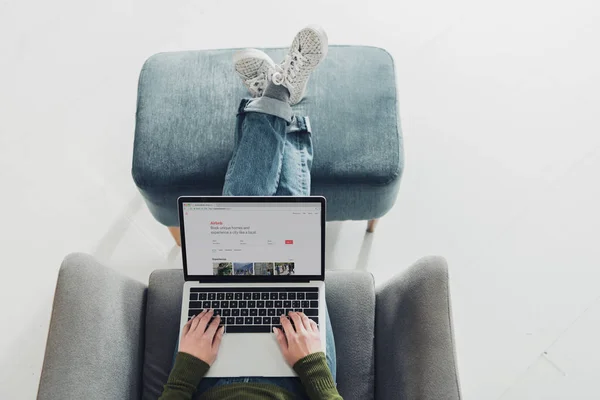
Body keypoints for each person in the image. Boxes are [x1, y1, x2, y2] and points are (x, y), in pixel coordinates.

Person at [159, 25, 341, 400]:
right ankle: (279, 95)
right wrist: (312, 366)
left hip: (207, 381)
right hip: (299, 382)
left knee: (238, 225)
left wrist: (185, 373)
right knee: (289, 253)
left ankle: (275, 99)